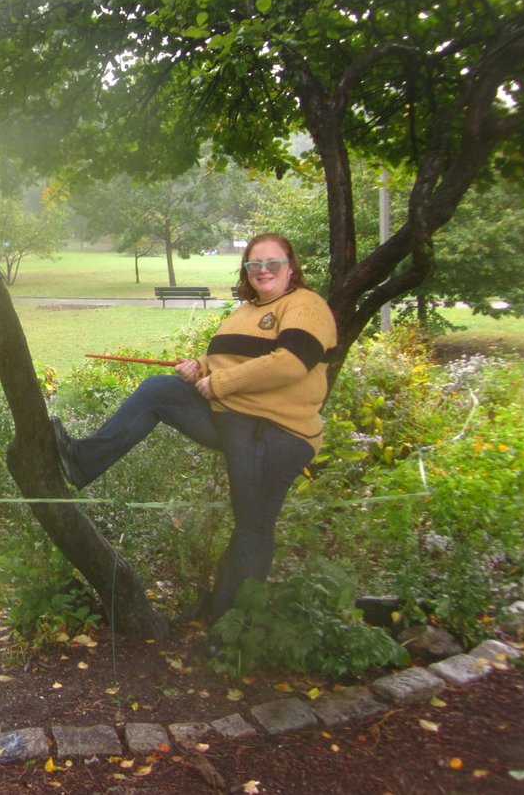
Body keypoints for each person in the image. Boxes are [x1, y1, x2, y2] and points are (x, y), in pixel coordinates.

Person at [51, 233, 338, 626]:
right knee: (157, 391)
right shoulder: (247, 311)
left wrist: (220, 383)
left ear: (291, 268)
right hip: (231, 416)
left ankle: (228, 631)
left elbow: (291, 362)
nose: (263, 270)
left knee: (252, 529)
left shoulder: (305, 305)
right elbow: (224, 358)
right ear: (246, 269)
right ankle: (81, 461)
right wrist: (199, 367)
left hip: (275, 432)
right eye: (255, 263)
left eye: (273, 262)